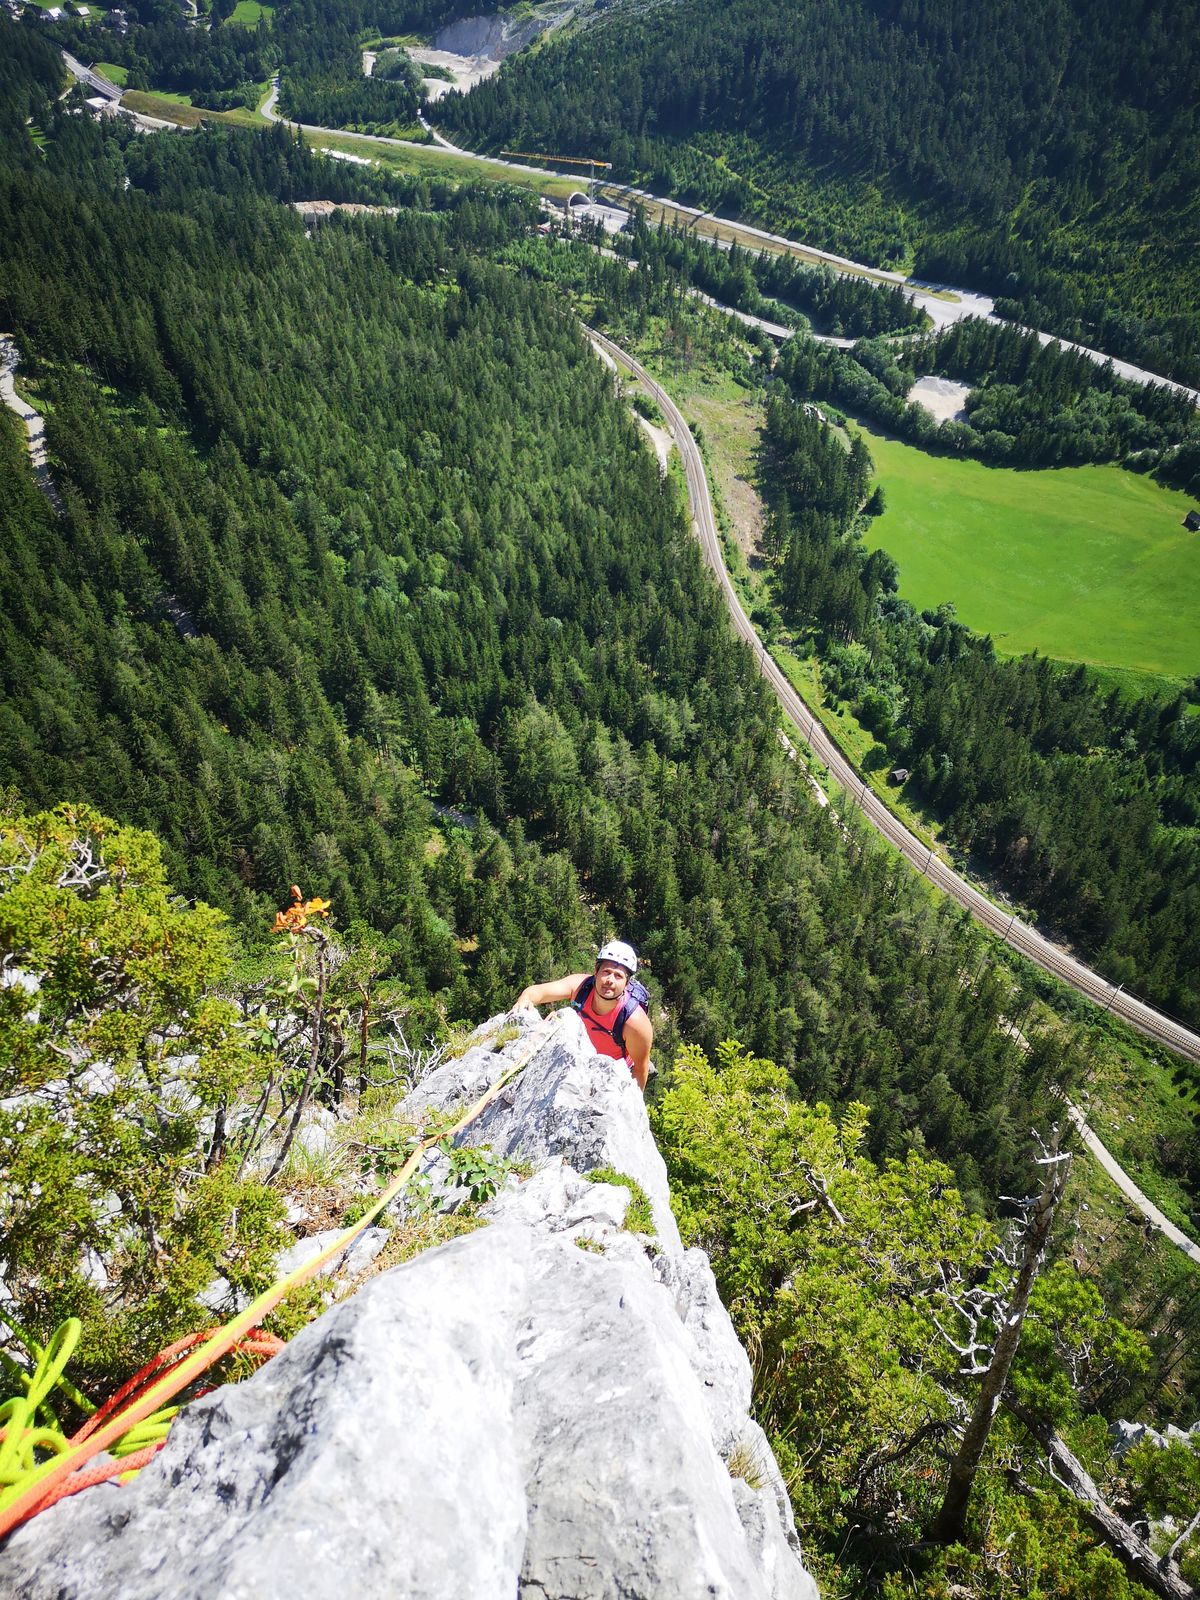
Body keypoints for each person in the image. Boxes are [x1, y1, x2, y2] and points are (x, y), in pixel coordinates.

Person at [514, 940, 653, 1092]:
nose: (610, 980)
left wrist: (632, 1107)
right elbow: (538, 992)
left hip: (611, 1077)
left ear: (627, 983)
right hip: (577, 1062)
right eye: (606, 972)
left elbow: (640, 1069)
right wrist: (525, 999)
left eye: (618, 976)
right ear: (596, 972)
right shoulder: (580, 987)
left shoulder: (634, 1021)